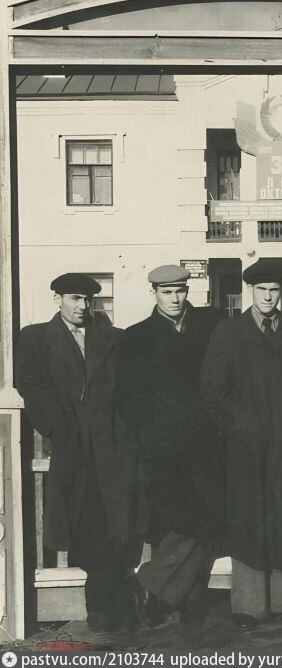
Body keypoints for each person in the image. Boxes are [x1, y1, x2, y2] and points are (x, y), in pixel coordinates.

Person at [15, 273, 144, 634]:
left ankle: (109, 608)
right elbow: (31, 385)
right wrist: (58, 426)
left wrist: (125, 431)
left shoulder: (111, 338)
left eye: (88, 300)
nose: (82, 306)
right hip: (73, 449)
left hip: (111, 448)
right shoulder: (36, 338)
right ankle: (110, 605)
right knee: (83, 526)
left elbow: (131, 388)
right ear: (57, 299)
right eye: (74, 298)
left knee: (114, 526)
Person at [200, 259, 282, 629]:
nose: (267, 297)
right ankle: (250, 606)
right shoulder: (229, 332)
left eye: (274, 291)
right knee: (249, 519)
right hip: (245, 448)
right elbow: (211, 389)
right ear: (250, 291)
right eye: (261, 290)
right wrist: (239, 425)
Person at [116, 264, 225, 626]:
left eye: (180, 291)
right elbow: (128, 397)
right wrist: (150, 437)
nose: (175, 299)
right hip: (164, 447)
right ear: (155, 294)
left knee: (208, 519)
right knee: (175, 520)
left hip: (208, 442)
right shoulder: (137, 337)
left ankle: (165, 590)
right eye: (167, 292)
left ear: (187, 290)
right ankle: (174, 594)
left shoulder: (211, 326)